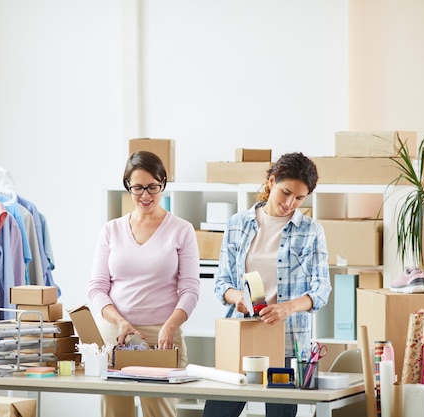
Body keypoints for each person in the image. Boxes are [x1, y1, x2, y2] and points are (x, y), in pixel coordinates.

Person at [202, 152, 332, 417]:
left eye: (299, 198)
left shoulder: (311, 230)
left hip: (287, 342)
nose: (290, 203)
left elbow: (321, 290)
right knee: (216, 413)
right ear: (271, 182)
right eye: (285, 193)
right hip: (241, 337)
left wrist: (287, 308)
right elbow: (222, 281)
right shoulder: (237, 224)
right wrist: (234, 295)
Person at [88, 150, 200, 417]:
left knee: (159, 411)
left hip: (163, 335)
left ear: (163, 183)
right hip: (116, 334)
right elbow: (97, 287)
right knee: (115, 412)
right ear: (128, 186)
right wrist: (119, 322)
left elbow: (190, 288)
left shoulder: (181, 230)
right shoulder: (111, 230)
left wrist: (170, 325)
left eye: (152, 187)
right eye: (137, 188)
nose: (145, 196)